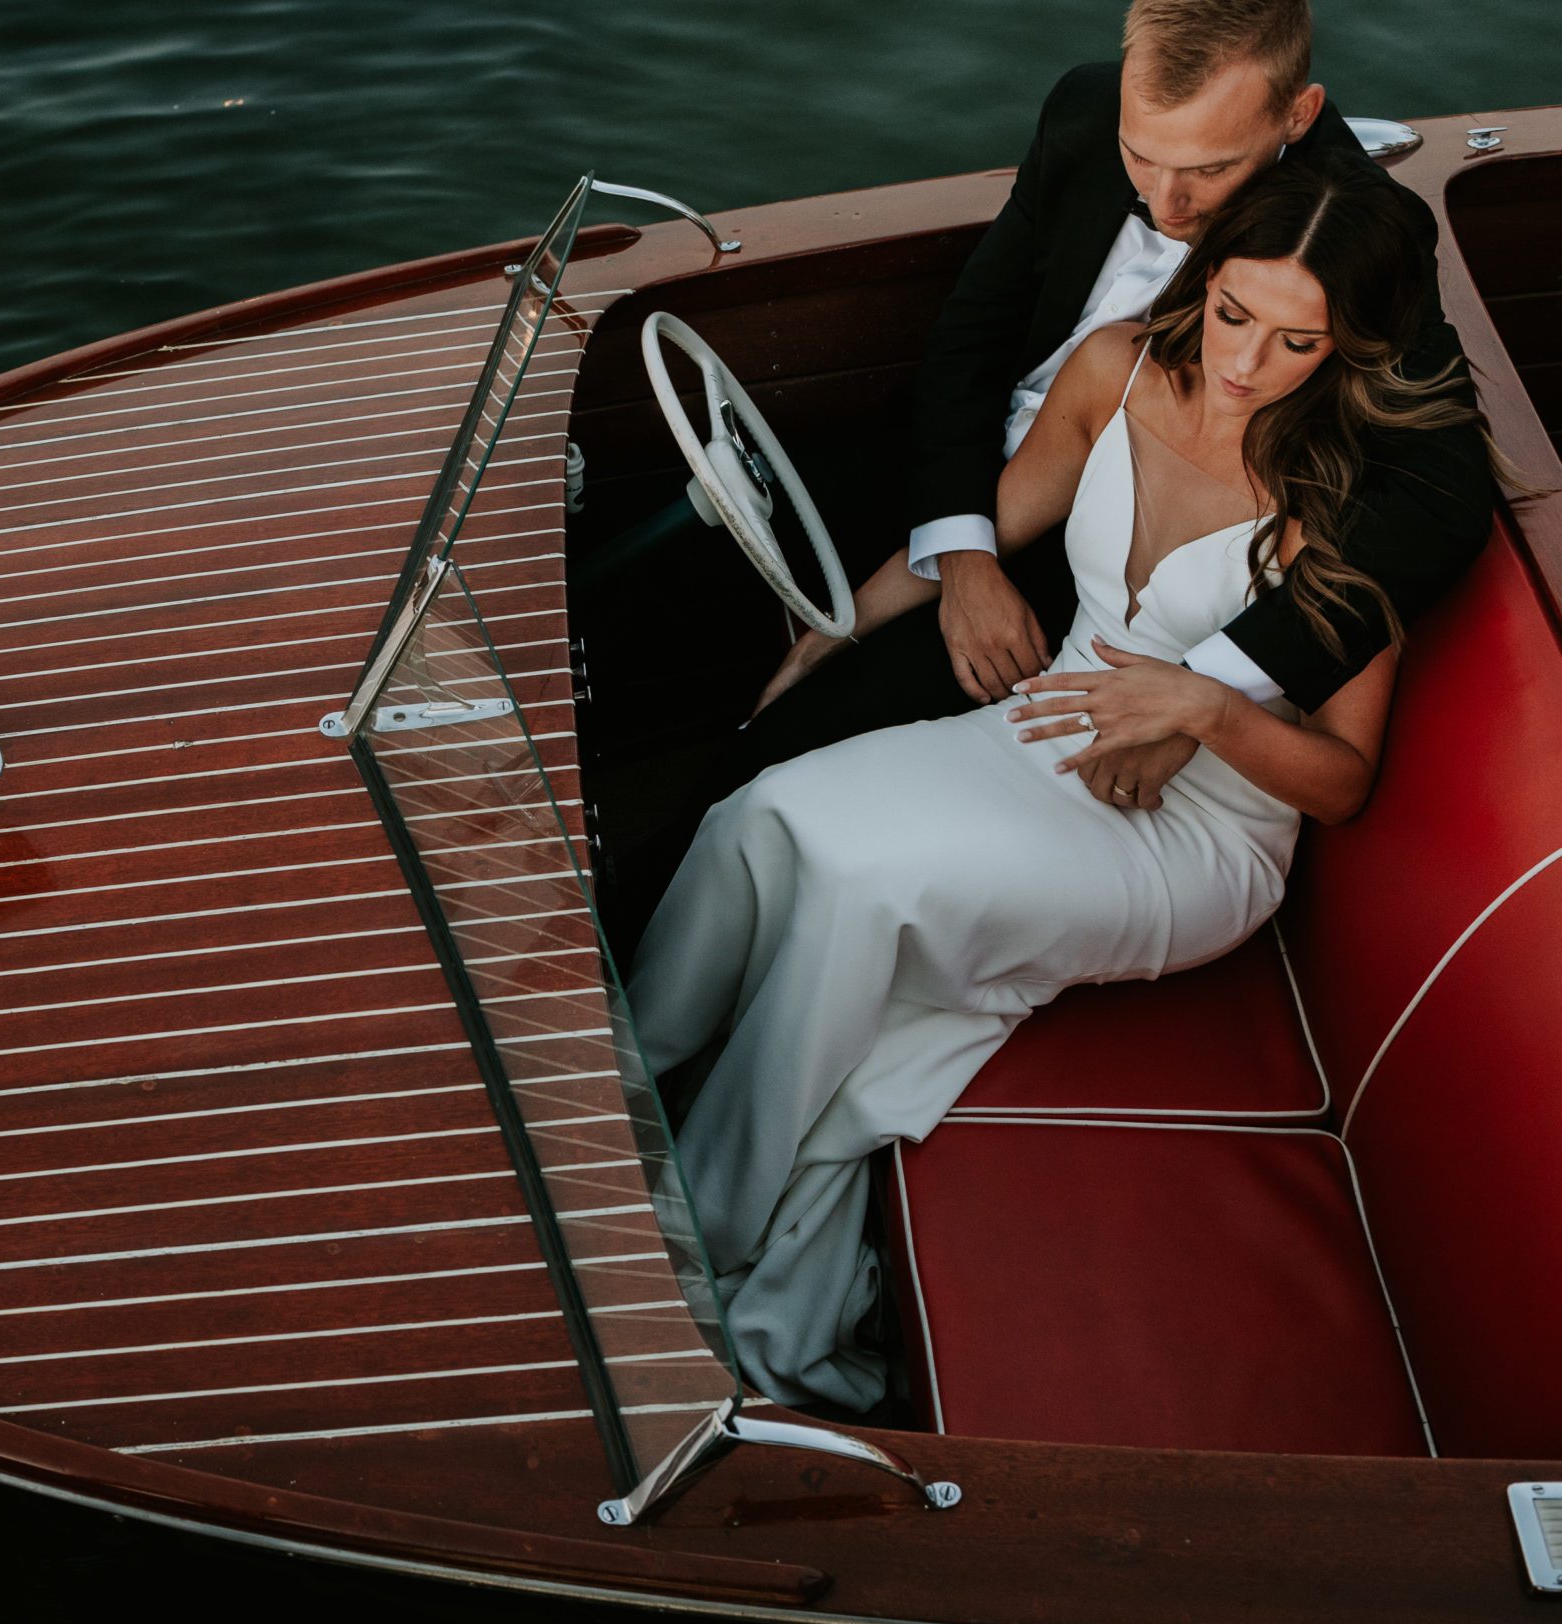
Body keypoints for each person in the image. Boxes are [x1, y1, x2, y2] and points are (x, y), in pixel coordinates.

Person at [624, 150, 1513, 1413]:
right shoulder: (1115, 370)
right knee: (765, 810)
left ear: (1354, 347)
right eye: (1235, 313)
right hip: (1036, 728)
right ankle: (624, 1090)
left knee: (865, 888)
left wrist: (1204, 706)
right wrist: (833, 627)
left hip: (1193, 835)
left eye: (1300, 343)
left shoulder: (1352, 498)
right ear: (1203, 282)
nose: (1251, 363)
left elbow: (1339, 786)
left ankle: (693, 1235)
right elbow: (982, 533)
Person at [602, 0, 1493, 947]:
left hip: (1094, 552)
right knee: (680, 559)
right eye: (1141, 158)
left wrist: (1207, 690)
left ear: (1299, 115)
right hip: (985, 478)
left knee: (790, 742)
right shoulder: (1082, 110)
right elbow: (971, 337)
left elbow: (1441, 500)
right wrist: (963, 552)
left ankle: (604, 952)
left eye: (1209, 170)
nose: (1166, 202)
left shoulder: (1361, 231)